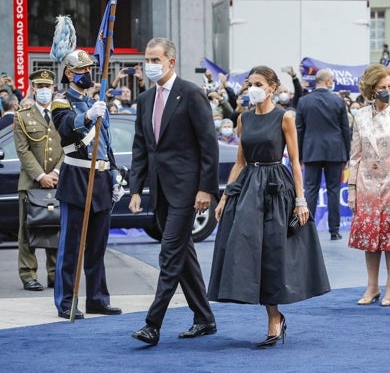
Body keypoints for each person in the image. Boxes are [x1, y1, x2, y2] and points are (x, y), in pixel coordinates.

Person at [207, 65, 330, 347]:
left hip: (277, 188)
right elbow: (240, 162)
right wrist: (225, 197)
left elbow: (296, 162)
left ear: (272, 87)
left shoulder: (285, 117)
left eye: (259, 83)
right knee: (251, 251)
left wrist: (301, 200)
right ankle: (272, 314)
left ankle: (274, 319)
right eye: (250, 83)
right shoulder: (243, 119)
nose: (253, 88)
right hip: (249, 188)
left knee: (274, 253)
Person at [129, 37, 219, 346]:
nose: (150, 65)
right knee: (183, 256)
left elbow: (209, 145)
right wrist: (136, 190)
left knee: (169, 254)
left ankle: (152, 324)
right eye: (147, 59)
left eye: (156, 60)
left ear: (171, 62)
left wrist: (206, 188)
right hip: (159, 189)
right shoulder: (144, 100)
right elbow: (141, 147)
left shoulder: (191, 94)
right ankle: (204, 318)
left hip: (186, 189)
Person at [50, 49, 122, 320]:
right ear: (69, 73)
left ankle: (97, 298)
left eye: (89, 69)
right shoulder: (61, 102)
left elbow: (106, 145)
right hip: (78, 178)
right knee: (71, 246)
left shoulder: (97, 102)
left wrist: (114, 175)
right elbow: (67, 128)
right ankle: (66, 301)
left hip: (101, 178)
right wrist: (88, 116)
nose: (87, 75)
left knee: (97, 245)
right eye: (82, 70)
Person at [348, 64, 390, 306]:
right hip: (367, 181)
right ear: (371, 89)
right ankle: (372, 285)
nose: (387, 91)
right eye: (381, 87)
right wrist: (352, 188)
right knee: (370, 235)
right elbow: (355, 155)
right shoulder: (360, 115)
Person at [13, 69, 63, 291]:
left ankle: (54, 274)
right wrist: (41, 176)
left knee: (55, 227)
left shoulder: (63, 114)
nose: (44, 91)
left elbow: (69, 147)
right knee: (28, 229)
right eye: (39, 87)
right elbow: (23, 151)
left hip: (57, 181)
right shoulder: (22, 116)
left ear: (54, 88)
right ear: (33, 89)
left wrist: (56, 173)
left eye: (47, 87)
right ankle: (28, 274)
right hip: (32, 182)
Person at [295, 68, 351, 240]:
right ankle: (334, 231)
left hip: (311, 151)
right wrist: (347, 155)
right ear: (328, 81)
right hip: (335, 151)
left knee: (310, 190)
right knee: (334, 191)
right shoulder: (338, 101)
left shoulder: (304, 102)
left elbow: (299, 130)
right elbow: (345, 130)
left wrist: (299, 156)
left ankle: (307, 229)